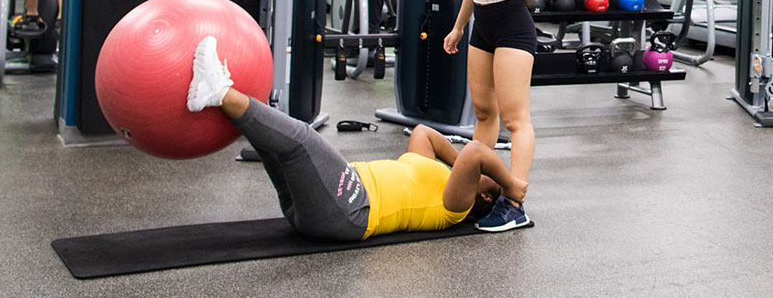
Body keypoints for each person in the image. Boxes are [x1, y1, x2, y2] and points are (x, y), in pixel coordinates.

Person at [184, 37, 527, 241]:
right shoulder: (440, 174)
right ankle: (220, 98)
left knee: (299, 138)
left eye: (485, 182)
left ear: (480, 193)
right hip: (317, 206)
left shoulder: (457, 206)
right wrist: (456, 166)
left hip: (349, 209)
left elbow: (478, 153)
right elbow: (424, 134)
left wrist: (510, 187)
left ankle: (220, 91)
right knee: (276, 146)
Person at [436, 0, 536, 232]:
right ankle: (484, 189)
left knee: (515, 119)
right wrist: (459, 27)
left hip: (512, 26)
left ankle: (516, 202)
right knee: (483, 113)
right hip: (484, 26)